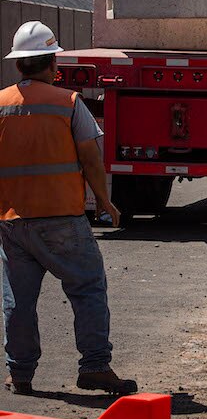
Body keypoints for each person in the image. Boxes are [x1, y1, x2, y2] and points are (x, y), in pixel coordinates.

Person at [0, 22, 137, 397]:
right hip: (61, 218)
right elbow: (90, 159)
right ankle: (94, 365)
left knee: (18, 301)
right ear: (51, 63)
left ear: (18, 66)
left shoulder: (0, 104)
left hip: (12, 222)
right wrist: (105, 201)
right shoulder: (68, 102)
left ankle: (20, 374)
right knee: (88, 286)